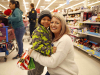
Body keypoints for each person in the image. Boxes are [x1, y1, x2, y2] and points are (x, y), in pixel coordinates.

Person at [28, 10, 56, 75]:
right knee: (34, 72)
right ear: (40, 20)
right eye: (44, 19)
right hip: (36, 58)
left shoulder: (47, 30)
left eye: (49, 20)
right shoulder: (37, 31)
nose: (46, 21)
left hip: (42, 57)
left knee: (39, 71)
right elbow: (36, 46)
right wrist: (50, 50)